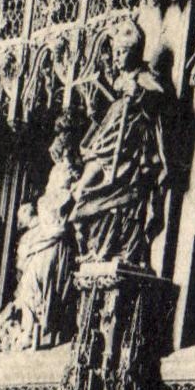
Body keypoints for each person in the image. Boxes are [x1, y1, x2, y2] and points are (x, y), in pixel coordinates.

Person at [71, 20, 168, 266]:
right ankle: (95, 248)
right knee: (81, 194)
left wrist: (139, 94)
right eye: (115, 52)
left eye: (122, 52)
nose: (117, 58)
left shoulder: (144, 78)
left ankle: (108, 249)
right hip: (104, 149)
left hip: (126, 157)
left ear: (135, 52)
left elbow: (160, 103)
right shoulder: (118, 81)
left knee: (118, 204)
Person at [0, 120, 78, 350]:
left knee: (39, 279)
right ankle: (30, 329)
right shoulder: (57, 171)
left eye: (63, 145)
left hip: (55, 234)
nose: (58, 149)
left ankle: (41, 329)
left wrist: (44, 205)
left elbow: (65, 200)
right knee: (30, 281)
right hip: (47, 230)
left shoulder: (71, 172)